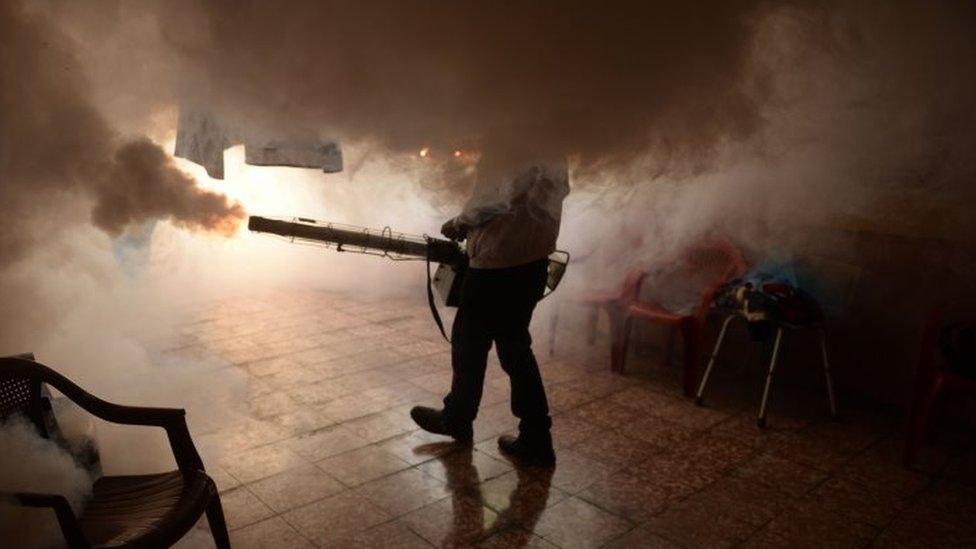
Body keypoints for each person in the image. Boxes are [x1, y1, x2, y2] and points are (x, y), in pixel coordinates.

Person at [410, 155, 569, 466]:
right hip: (530, 262)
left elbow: (497, 199)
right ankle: (535, 435)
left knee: (471, 343)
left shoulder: (514, 136)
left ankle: (458, 419)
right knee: (514, 349)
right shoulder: (553, 138)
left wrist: (459, 222)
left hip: (499, 262)